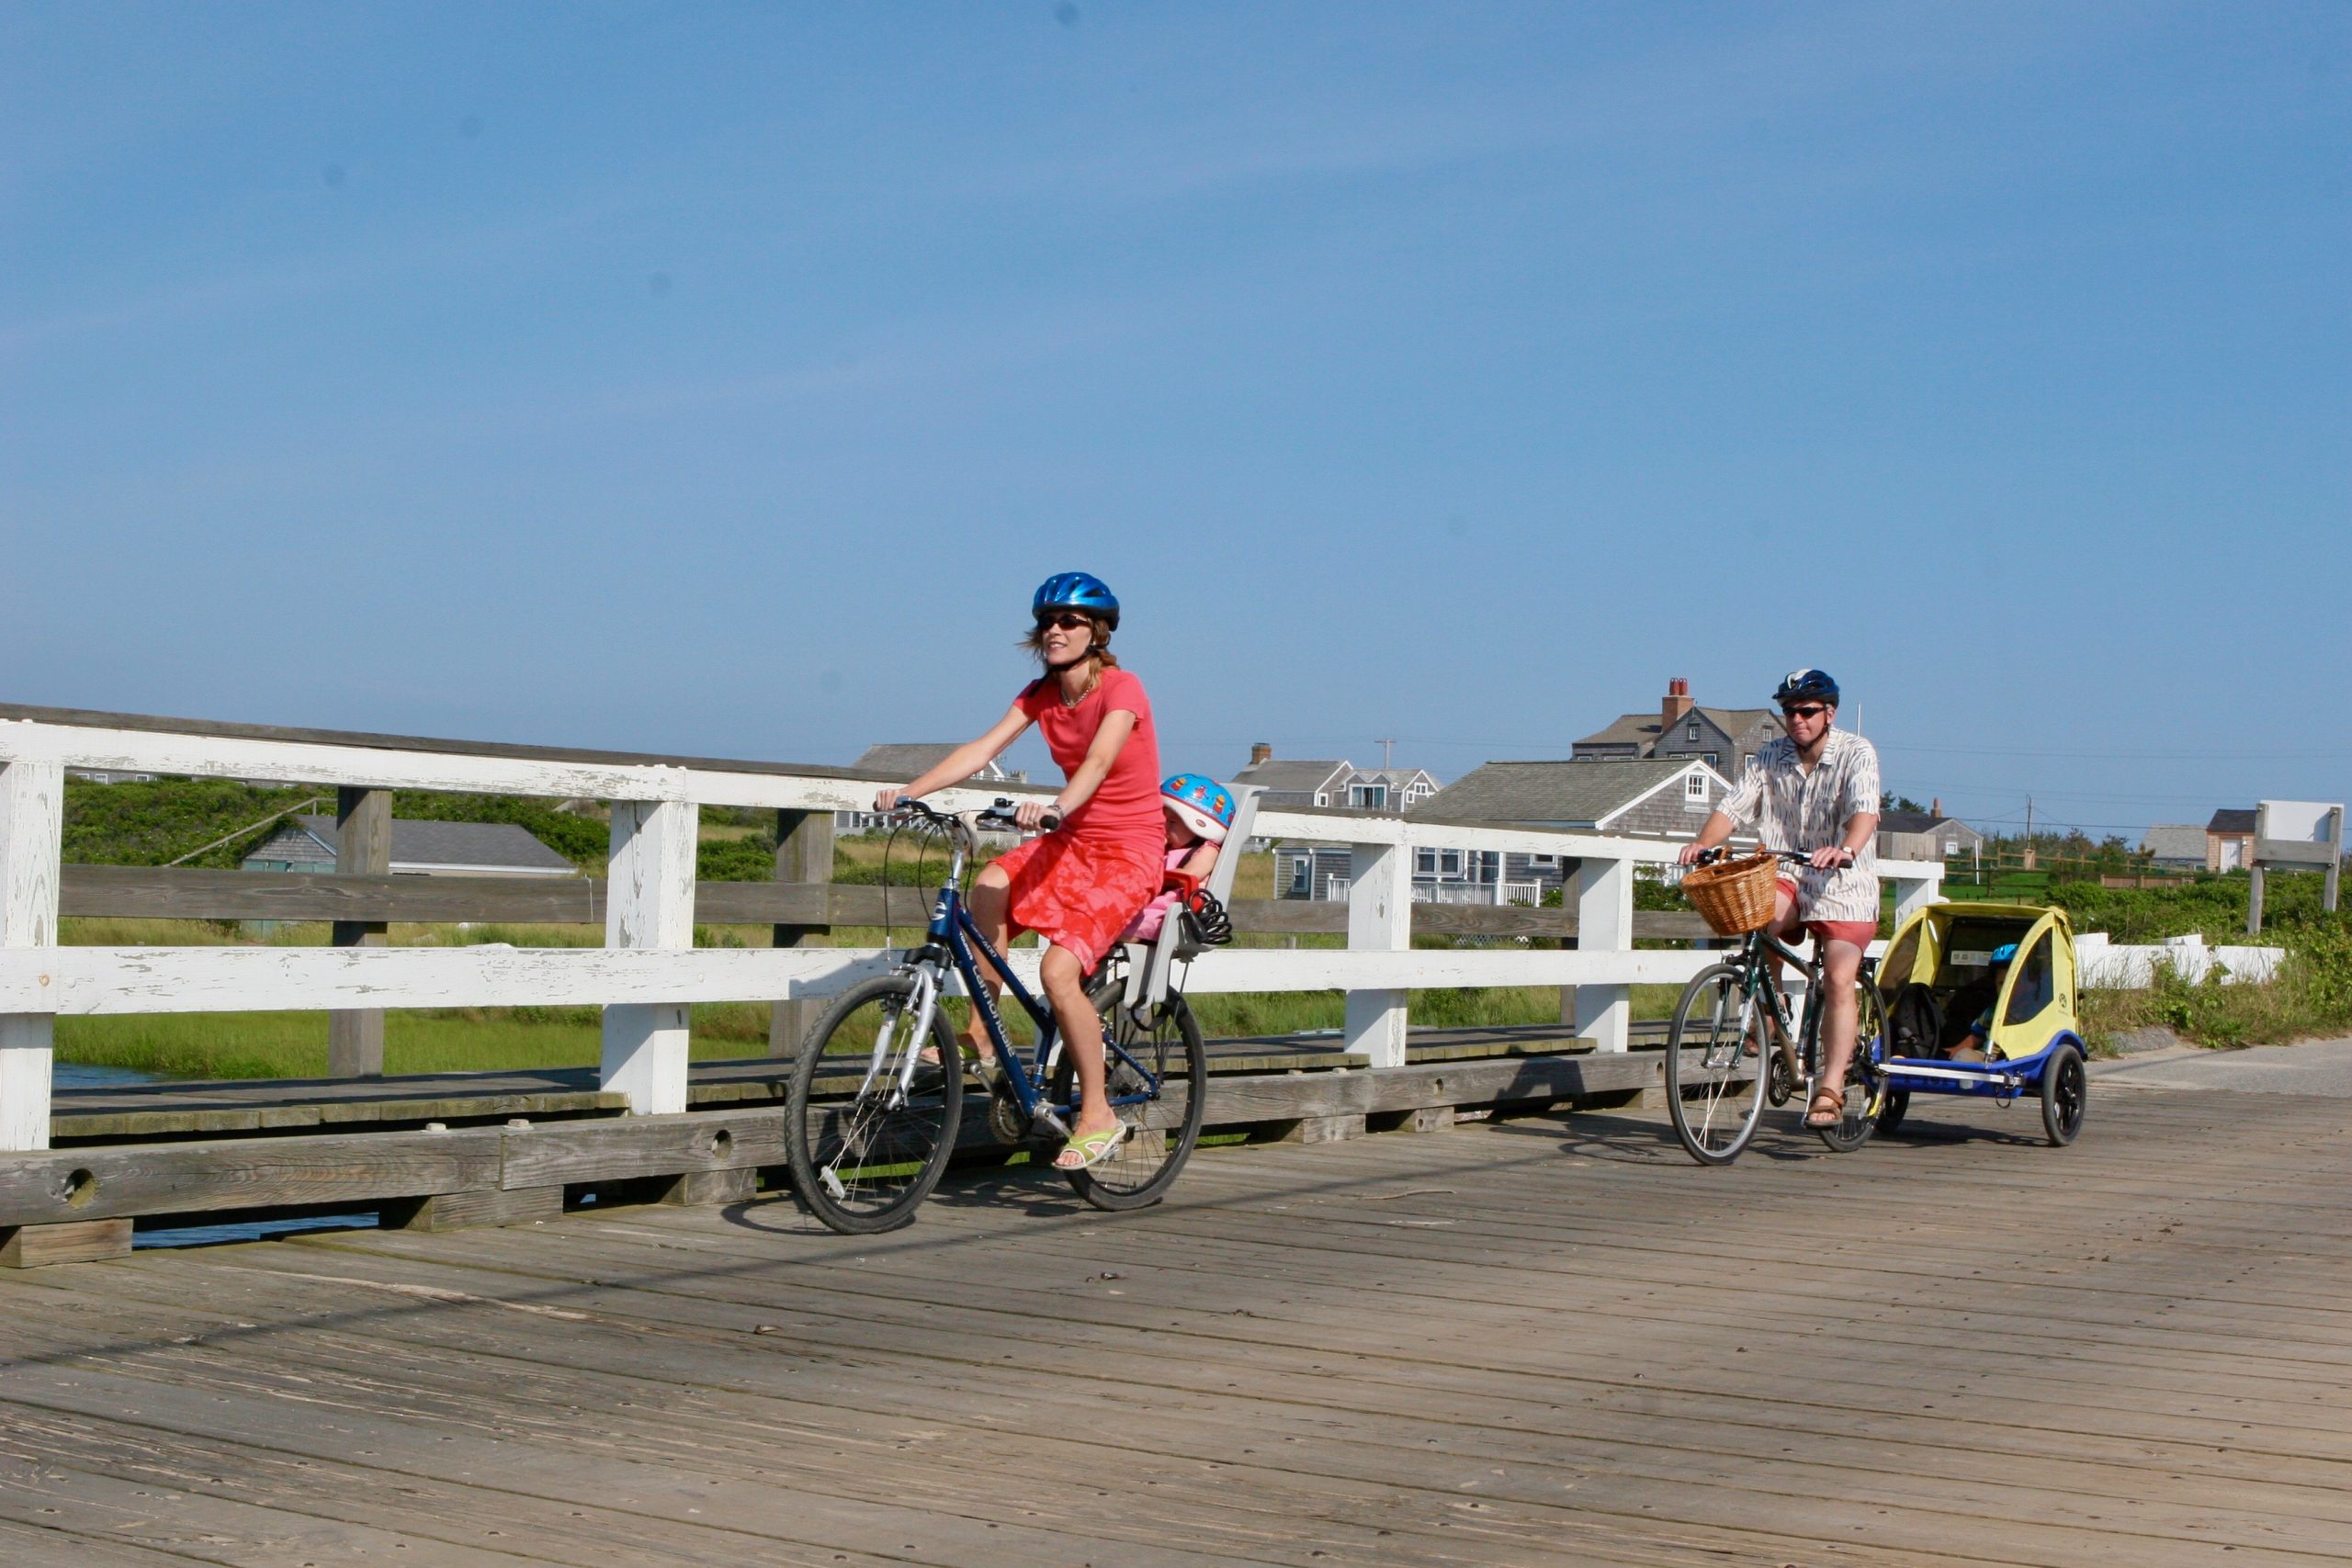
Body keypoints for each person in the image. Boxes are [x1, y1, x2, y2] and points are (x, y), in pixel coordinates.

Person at [873, 572, 1163, 1170]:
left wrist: (1057, 805)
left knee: (1060, 974)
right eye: (1047, 621)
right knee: (989, 885)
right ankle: (982, 1031)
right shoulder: (1040, 694)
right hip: (1073, 838)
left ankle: (1098, 1113)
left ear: (1097, 632)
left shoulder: (1123, 689)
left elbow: (1102, 758)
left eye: (1070, 621)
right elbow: (981, 749)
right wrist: (908, 791)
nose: (1055, 630)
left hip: (1129, 851)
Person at [1678, 669, 1883, 1129]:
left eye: (1807, 711)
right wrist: (1701, 844)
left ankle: (1829, 1089)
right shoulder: (1770, 756)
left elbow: (1865, 811)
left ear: (1829, 713)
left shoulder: (1856, 752)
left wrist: (1846, 849)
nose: (1797, 720)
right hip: (1789, 870)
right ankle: (1772, 1013)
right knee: (1757, 920)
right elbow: (1732, 808)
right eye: (1790, 711)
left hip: (1844, 884)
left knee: (1837, 978)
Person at [1116, 773, 1233, 945]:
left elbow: (1190, 874)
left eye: (1172, 822)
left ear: (1197, 826)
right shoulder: (1166, 848)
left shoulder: (1207, 850)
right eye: (1162, 820)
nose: (1165, 828)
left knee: (1128, 926)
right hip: (1143, 902)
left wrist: (1151, 875)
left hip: (1170, 912)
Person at [1940, 942, 2016, 1064]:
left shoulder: (2034, 1011)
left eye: (2013, 982)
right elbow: (1977, 1036)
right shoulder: (1993, 1011)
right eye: (2001, 983)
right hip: (1987, 1059)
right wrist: (1957, 1049)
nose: (2006, 988)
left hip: (2016, 1060)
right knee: (1963, 1056)